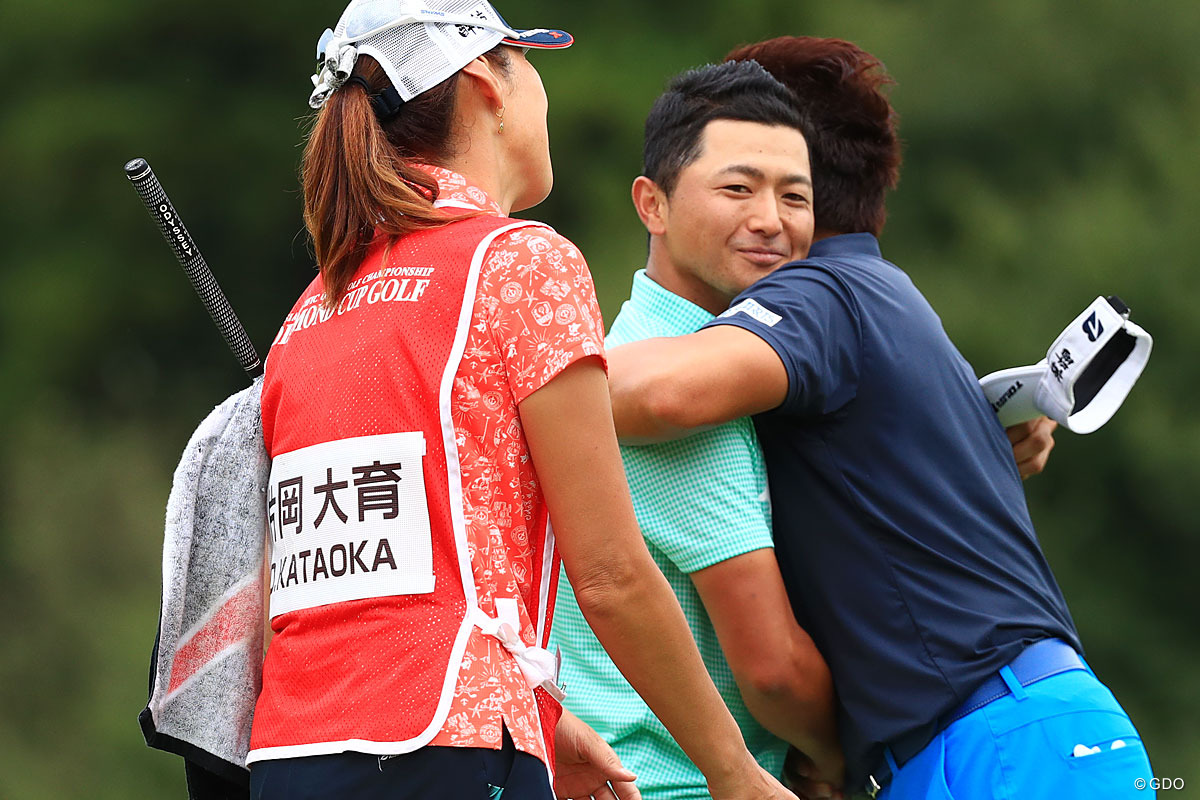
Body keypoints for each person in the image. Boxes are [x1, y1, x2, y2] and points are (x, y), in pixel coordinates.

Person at [249, 3, 799, 799]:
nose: (544, 90)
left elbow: (324, 596)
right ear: (486, 83)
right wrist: (733, 772)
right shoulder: (519, 261)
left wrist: (534, 713)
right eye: (529, 61)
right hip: (446, 756)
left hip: (291, 760)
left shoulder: (311, 308)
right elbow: (609, 575)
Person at [607, 36, 1153, 799]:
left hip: (994, 741)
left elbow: (658, 393)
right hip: (1011, 730)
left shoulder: (816, 297)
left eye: (784, 189)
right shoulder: (877, 292)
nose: (765, 216)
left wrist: (512, 382)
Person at [550, 61, 844, 800]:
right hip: (670, 784)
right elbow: (771, 669)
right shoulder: (675, 403)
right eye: (738, 189)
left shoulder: (682, 364)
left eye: (795, 196)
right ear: (652, 204)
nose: (772, 219)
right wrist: (846, 755)